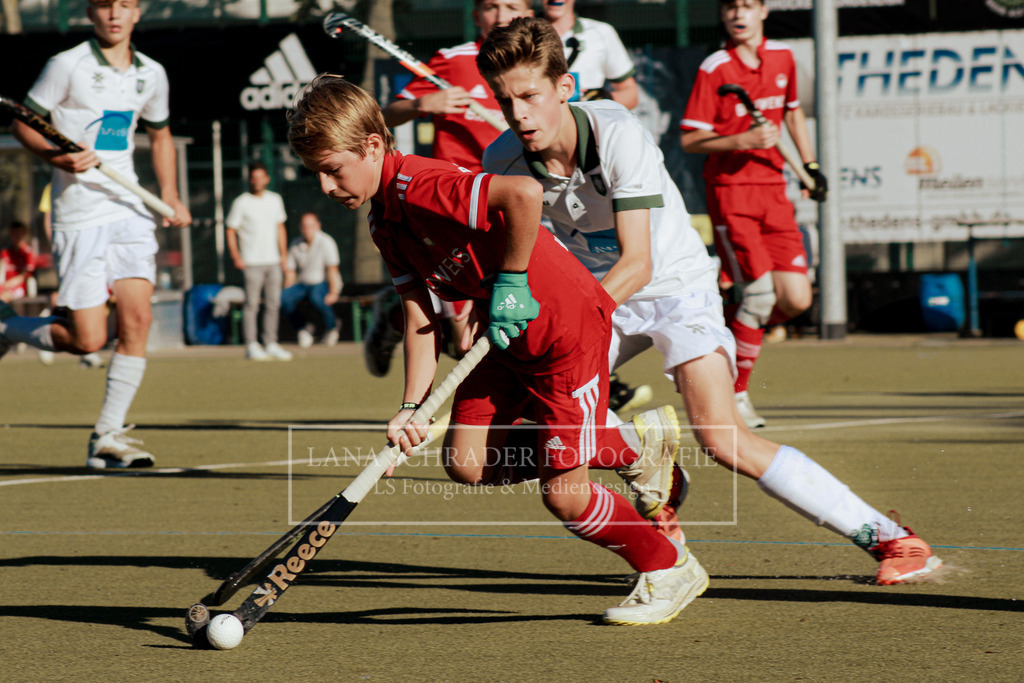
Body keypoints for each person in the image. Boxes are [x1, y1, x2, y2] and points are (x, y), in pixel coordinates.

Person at [479, 17, 940, 586]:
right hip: (598, 297)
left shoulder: (617, 133)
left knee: (722, 438)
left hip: (672, 285)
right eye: (505, 101)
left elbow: (638, 263)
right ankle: (644, 458)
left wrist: (567, 323)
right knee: (532, 423)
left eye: (529, 96)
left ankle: (893, 539)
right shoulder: (499, 162)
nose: (519, 113)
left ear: (564, 88)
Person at [287, 74, 709, 626]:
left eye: (332, 169)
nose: (325, 186)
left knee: (566, 499)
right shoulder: (383, 219)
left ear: (371, 147)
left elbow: (524, 194)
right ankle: (630, 447)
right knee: (466, 462)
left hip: (566, 336)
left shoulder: (422, 183)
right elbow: (420, 317)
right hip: (503, 343)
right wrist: (411, 408)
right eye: (316, 173)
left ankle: (670, 566)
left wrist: (511, 279)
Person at [371, 0, 651, 411]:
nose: (501, 14)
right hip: (459, 208)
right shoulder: (451, 61)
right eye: (491, 6)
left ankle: (582, 385)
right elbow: (381, 118)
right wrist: (422, 105)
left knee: (526, 312)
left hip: (516, 199)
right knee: (469, 332)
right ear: (476, 15)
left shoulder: (537, 71)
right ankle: (396, 319)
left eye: (512, 6)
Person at [1, 0, 191, 468]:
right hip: (79, 212)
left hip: (129, 209)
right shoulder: (66, 65)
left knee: (138, 320)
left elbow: (161, 134)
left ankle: (108, 436)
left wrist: (170, 193)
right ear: (91, 12)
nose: (114, 14)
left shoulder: (152, 73)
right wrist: (58, 158)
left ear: (138, 13)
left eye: (125, 6)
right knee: (86, 339)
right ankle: (7, 327)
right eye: (105, 5)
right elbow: (22, 124)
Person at [680, 0, 827, 428]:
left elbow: (793, 110)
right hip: (731, 194)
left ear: (763, 10)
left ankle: (728, 332)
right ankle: (736, 393)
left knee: (797, 298)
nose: (738, 14)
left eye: (747, 5)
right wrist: (742, 139)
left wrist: (809, 163)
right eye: (730, 7)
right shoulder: (715, 67)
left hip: (774, 192)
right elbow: (691, 140)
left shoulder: (783, 57)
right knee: (761, 296)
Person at [226, 161, 292, 361]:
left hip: (273, 261)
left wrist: (283, 256)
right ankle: (251, 345)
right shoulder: (241, 202)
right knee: (251, 304)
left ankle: (270, 343)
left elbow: (280, 228)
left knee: (273, 303)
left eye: (260, 177)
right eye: (253, 178)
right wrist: (236, 256)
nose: (256, 181)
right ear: (250, 180)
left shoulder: (275, 200)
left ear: (266, 179)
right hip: (251, 262)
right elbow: (231, 229)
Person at [541, 0, 639, 109]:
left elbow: (631, 94)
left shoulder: (601, 32)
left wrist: (606, 99)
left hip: (589, 122)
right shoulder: (524, 35)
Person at [281, 212, 342, 348]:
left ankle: (332, 326)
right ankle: (304, 329)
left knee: (317, 298)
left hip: (322, 283)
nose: (307, 230)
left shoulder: (327, 242)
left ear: (318, 226)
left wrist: (333, 292)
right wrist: (287, 290)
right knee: (282, 299)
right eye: (304, 226)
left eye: (311, 226)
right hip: (303, 284)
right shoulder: (295, 243)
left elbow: (332, 270)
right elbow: (291, 272)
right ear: (300, 227)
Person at [1, 221, 37, 303]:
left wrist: (7, 284)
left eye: (19, 233)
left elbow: (25, 275)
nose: (17, 236)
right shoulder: (5, 252)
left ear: (24, 234)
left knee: (3, 298)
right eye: (14, 233)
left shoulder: (28, 252)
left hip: (19, 288)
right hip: (4, 286)